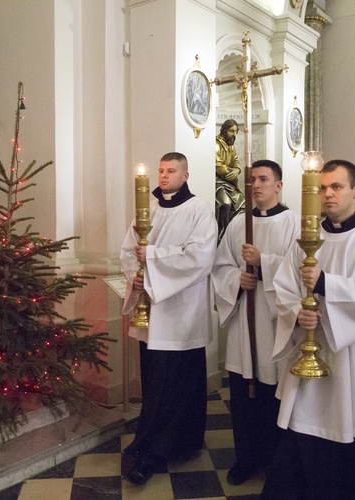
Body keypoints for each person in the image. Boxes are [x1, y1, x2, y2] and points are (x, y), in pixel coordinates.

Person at [262, 160, 355, 499]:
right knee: (302, 439)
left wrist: (327, 284)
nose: (328, 194)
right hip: (307, 361)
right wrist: (296, 314)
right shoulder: (305, 237)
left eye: (337, 187)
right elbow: (283, 287)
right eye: (322, 188)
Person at [120, 152, 218, 485]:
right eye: (160, 171)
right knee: (154, 381)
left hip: (182, 315)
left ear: (185, 175)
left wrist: (153, 259)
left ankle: (164, 449)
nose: (163, 176)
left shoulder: (199, 211)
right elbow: (127, 250)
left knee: (176, 383)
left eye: (171, 171)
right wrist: (136, 276)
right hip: (151, 314)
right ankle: (148, 439)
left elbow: (200, 257)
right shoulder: (146, 210)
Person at [211, 160, 300, 486]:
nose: (256, 185)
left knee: (271, 395)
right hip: (244, 327)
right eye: (251, 181)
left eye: (263, 179)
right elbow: (220, 267)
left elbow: (299, 272)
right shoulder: (237, 224)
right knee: (242, 396)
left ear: (278, 185)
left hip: (275, 326)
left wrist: (262, 265)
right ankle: (245, 458)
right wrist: (237, 280)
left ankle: (274, 460)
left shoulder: (294, 223)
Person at [216, 119, 246, 241]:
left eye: (235, 131)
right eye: (231, 131)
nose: (233, 134)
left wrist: (237, 170)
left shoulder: (231, 145)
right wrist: (231, 172)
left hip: (228, 182)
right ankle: (220, 235)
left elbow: (236, 161)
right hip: (217, 182)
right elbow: (218, 166)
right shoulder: (216, 143)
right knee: (226, 203)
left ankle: (232, 235)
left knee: (243, 204)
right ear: (224, 130)